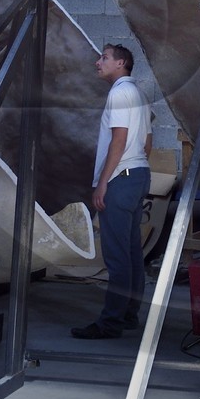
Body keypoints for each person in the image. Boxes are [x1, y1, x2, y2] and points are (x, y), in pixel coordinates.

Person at [71, 43, 152, 339]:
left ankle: (111, 323)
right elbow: (147, 143)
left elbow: (120, 138)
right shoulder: (139, 94)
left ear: (121, 63)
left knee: (117, 257)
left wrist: (104, 181)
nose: (97, 62)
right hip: (139, 174)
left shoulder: (119, 92)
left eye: (104, 58)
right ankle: (129, 315)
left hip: (121, 179)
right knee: (131, 253)